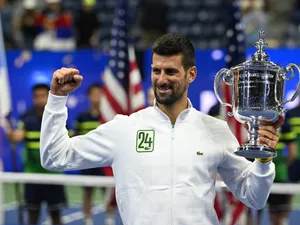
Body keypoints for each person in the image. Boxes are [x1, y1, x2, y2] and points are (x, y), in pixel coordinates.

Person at [40, 34, 281, 225]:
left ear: (191, 74)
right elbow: (54, 157)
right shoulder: (124, 129)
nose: (162, 79)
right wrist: (57, 99)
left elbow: (254, 198)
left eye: (171, 71)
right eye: (157, 71)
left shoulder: (216, 130)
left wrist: (262, 162)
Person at [7, 84, 67, 225]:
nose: (40, 100)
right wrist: (12, 135)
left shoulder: (57, 116)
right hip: (32, 174)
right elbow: (18, 136)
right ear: (33, 98)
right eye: (36, 96)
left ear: (49, 96)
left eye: (43, 96)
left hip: (54, 174)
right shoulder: (26, 118)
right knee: (33, 214)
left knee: (56, 215)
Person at [74, 83, 116, 225]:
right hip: (87, 163)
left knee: (108, 193)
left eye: (100, 93)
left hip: (105, 162)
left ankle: (109, 219)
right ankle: (88, 220)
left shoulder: (109, 117)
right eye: (94, 94)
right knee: (87, 192)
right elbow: (76, 138)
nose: (97, 97)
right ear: (89, 96)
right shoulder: (82, 117)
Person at [266, 120, 297, 225]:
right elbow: (293, 152)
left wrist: (282, 166)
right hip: (270, 174)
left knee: (279, 210)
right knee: (273, 211)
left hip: (279, 176)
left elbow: (292, 152)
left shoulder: (285, 125)